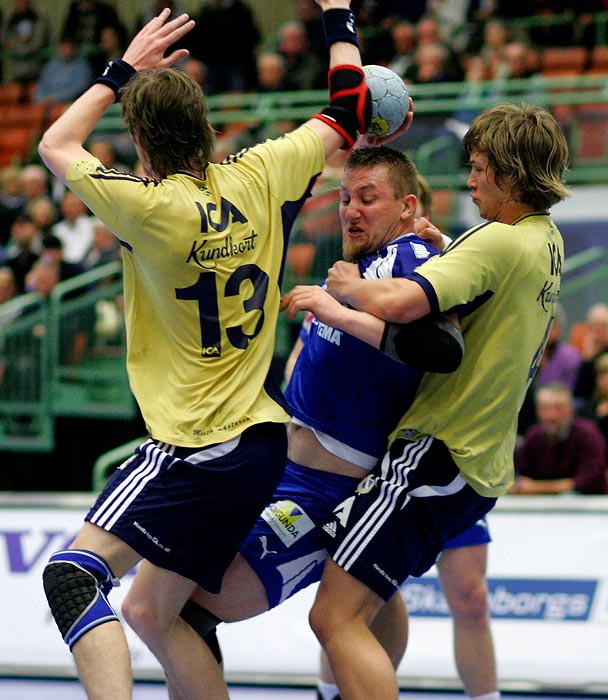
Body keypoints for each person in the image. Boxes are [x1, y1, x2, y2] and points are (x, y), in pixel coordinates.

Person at [38, 4, 379, 699]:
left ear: (140, 141)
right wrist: (339, 16)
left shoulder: (145, 205)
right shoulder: (263, 172)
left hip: (196, 444)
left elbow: (55, 142)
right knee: (153, 611)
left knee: (72, 576)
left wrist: (120, 71)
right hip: (260, 442)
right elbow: (350, 108)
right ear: (206, 129)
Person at [121, 146, 471, 700]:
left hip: (323, 490)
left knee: (183, 611)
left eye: (368, 198)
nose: (351, 210)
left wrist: (431, 255)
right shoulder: (357, 272)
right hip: (277, 466)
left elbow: (440, 341)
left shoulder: (406, 260)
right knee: (356, 597)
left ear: (407, 206)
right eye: (345, 197)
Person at [281, 101, 570, 700]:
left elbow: (396, 305)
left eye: (481, 167)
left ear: (509, 172)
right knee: (367, 593)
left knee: (333, 616)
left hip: (437, 451)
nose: (470, 179)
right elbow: (484, 297)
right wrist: (451, 248)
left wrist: (342, 292)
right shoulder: (544, 240)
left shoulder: (494, 243)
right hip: (479, 464)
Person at [512, 382, 607, 495]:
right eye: (545, 408)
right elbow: (521, 479)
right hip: (541, 507)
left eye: (558, 408)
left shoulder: (588, 435)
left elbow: (586, 481)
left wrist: (536, 487)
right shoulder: (533, 436)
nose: (551, 415)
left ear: (570, 409)